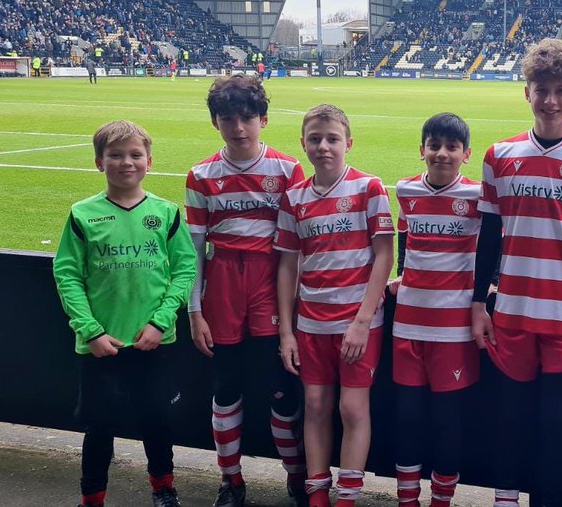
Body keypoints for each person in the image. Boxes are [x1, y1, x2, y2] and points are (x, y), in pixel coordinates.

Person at [471, 38, 562, 507]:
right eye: (541, 89)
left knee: (559, 424)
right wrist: (479, 302)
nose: (551, 100)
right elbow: (488, 237)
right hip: (512, 312)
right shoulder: (499, 156)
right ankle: (505, 500)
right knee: (511, 418)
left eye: (561, 89)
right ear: (527, 92)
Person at [53, 120, 197, 507]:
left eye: (135, 155)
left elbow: (185, 269)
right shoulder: (83, 214)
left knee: (157, 421)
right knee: (99, 427)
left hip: (154, 341)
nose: (126, 162)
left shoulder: (166, 214)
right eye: (115, 155)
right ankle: (92, 496)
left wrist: (160, 321)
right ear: (100, 162)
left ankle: (163, 487)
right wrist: (90, 331)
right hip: (102, 345)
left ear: (149, 161)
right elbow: (67, 274)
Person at [185, 74, 308, 507]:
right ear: (215, 122)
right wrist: (194, 311)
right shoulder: (202, 174)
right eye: (228, 119)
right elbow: (194, 249)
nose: (239, 127)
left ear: (264, 120)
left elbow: (298, 242)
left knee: (280, 386)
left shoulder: (287, 169)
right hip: (222, 285)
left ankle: (297, 478)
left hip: (270, 282)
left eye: (247, 118)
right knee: (227, 387)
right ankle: (231, 481)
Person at [276, 104, 395, 507]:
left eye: (332, 139)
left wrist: (362, 320)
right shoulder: (294, 197)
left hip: (357, 322)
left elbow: (384, 256)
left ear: (349, 143)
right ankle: (317, 493)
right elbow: (288, 263)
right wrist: (287, 332)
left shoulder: (368, 187)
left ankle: (348, 495)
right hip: (311, 322)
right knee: (314, 405)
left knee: (351, 407)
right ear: (303, 144)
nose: (323, 146)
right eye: (315, 139)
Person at [387, 113, 480, 507]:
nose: (442, 154)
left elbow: (497, 242)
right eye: (434, 146)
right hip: (407, 323)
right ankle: (407, 498)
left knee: (447, 421)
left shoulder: (477, 196)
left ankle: (442, 499)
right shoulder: (406, 189)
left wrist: (489, 284)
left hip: (454, 328)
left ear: (466, 154)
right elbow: (404, 233)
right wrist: (402, 273)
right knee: (407, 417)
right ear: (422, 149)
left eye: (451, 147)